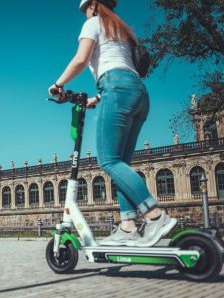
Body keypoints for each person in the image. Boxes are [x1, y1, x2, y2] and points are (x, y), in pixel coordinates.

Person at [48, 0, 176, 247]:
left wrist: (58, 84)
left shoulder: (93, 23)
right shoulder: (123, 31)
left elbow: (81, 60)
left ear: (93, 5)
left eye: (85, 9)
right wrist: (97, 98)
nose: (84, 13)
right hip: (138, 93)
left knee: (108, 161)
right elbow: (125, 69)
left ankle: (155, 216)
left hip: (116, 88)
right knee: (122, 165)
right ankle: (128, 226)